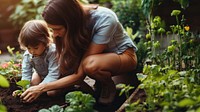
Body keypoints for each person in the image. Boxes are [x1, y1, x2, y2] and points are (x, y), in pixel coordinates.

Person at [20, 0, 138, 105]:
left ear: (70, 21)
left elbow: (80, 74)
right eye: (51, 29)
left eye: (57, 29)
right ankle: (93, 84)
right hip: (97, 57)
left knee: (90, 65)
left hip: (123, 56)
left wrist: (41, 88)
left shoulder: (105, 19)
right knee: (64, 66)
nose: (54, 34)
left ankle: (107, 85)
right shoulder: (71, 27)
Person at [13, 20, 60, 97]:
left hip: (57, 75)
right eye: (28, 48)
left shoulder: (52, 52)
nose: (32, 51)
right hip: (41, 73)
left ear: (45, 41)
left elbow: (54, 73)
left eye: (36, 47)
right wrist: (23, 89)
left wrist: (40, 88)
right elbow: (26, 73)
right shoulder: (28, 55)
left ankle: (66, 88)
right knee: (33, 82)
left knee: (51, 93)